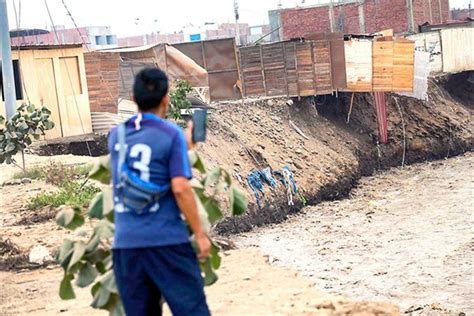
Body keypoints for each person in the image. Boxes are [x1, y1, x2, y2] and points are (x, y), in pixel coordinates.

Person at [108, 67, 211, 316]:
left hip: (126, 246)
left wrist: (183, 144)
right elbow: (180, 188)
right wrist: (200, 233)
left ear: (133, 100)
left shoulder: (116, 136)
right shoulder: (171, 134)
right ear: (166, 99)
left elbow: (145, 152)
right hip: (166, 243)